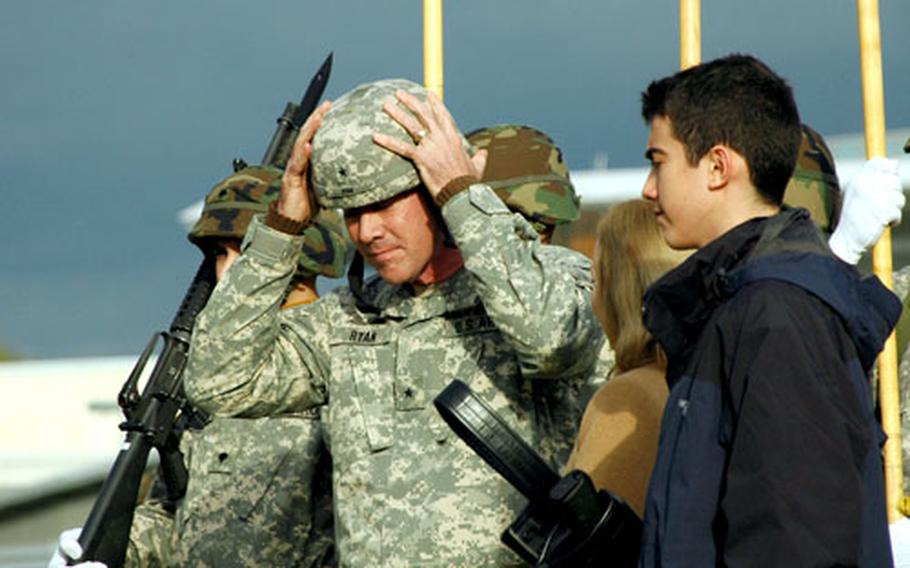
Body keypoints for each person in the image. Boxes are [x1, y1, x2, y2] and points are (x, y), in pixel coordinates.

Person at [181, 79, 604, 566]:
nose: (367, 231)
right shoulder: (345, 322)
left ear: (435, 186)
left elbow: (552, 341)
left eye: (383, 204)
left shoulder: (548, 282)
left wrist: (464, 195)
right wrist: (284, 225)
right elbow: (218, 381)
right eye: (352, 212)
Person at [637, 54, 899, 566]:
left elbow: (798, 540)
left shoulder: (775, 317)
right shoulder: (739, 307)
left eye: (658, 161)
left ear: (717, 166)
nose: (649, 187)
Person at [52, 165, 352, 568]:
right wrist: (110, 549)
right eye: (219, 254)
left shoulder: (341, 357)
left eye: (244, 251)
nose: (227, 270)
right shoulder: (211, 376)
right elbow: (177, 516)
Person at [564, 199, 687, 518]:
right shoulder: (698, 380)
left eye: (597, 278)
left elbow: (589, 543)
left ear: (615, 291)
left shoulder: (628, 398)